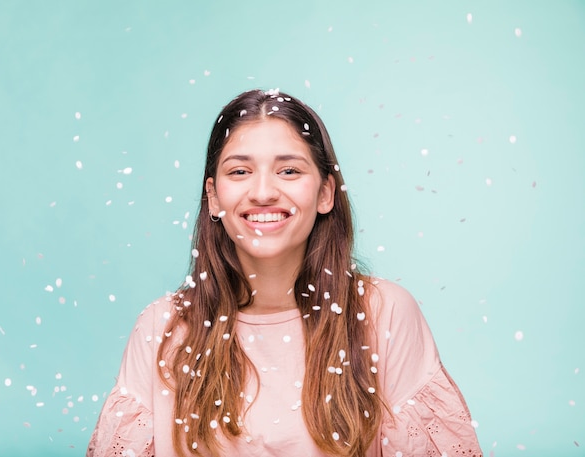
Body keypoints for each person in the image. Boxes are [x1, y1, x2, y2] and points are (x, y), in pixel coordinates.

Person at [86, 89, 483, 457]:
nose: (262, 192)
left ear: (325, 193)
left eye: (289, 171)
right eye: (239, 172)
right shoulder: (163, 327)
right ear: (213, 197)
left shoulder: (384, 315)